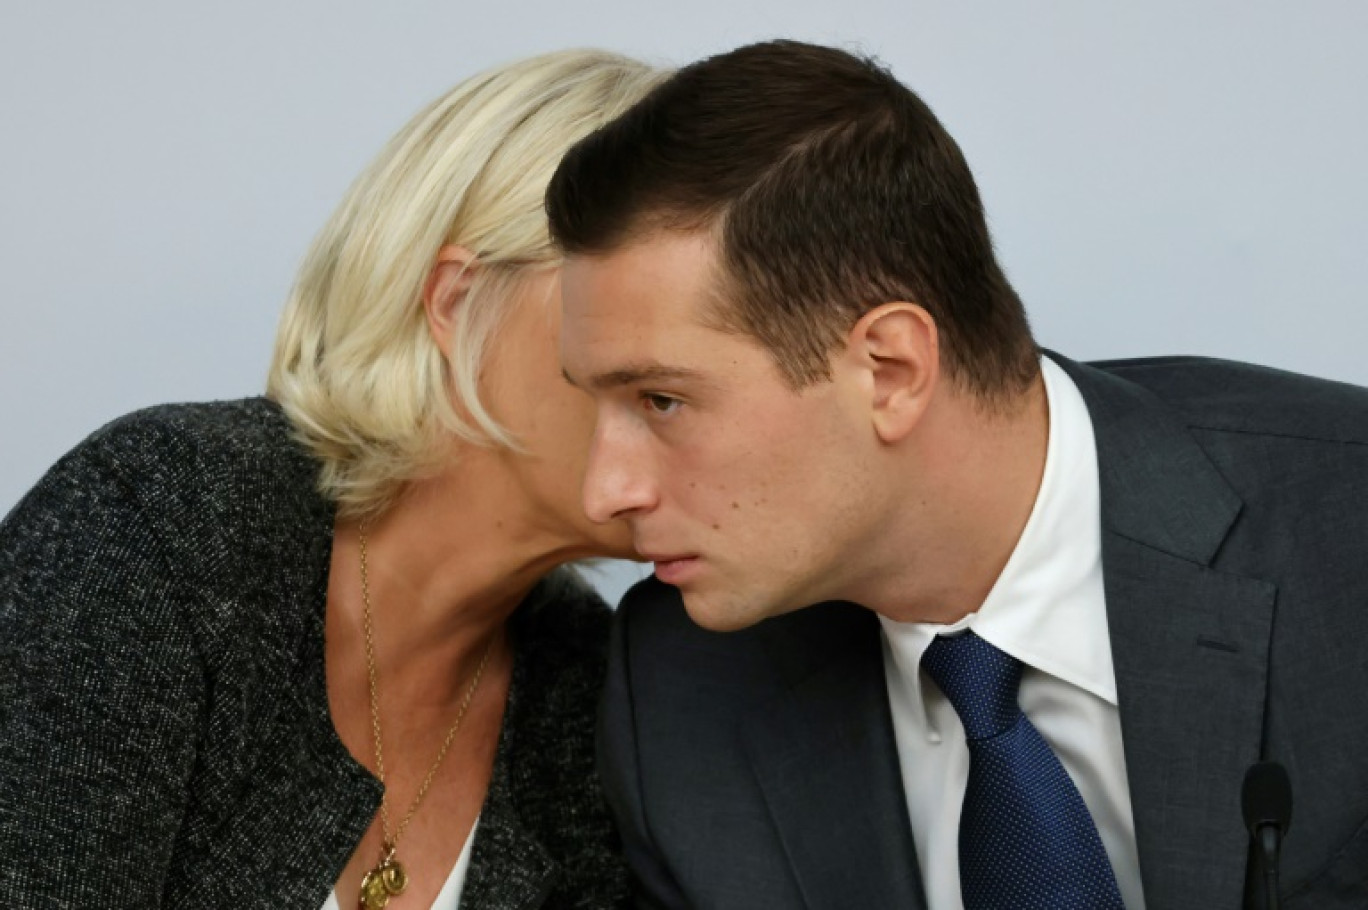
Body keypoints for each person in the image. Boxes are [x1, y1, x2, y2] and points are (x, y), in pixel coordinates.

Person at [546, 39, 1368, 910]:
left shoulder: (1344, 532)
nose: (606, 493)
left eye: (662, 401)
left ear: (891, 371)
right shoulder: (682, 691)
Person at [0, 49, 664, 909]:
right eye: (644, 305)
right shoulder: (167, 521)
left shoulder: (599, 693)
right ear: (459, 305)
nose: (685, 368)